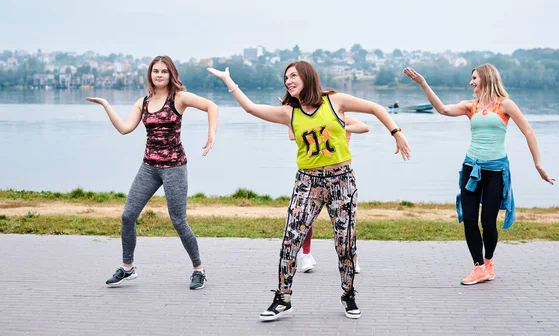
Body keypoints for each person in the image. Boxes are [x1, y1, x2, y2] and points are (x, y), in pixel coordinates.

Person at [208, 61, 410, 321]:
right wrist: (229, 81)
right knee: (290, 239)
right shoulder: (289, 113)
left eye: (293, 76)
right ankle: (283, 298)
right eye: (285, 77)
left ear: (307, 77)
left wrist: (396, 132)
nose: (288, 81)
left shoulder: (334, 101)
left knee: (345, 242)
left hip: (342, 181)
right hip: (307, 182)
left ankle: (348, 294)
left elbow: (374, 108)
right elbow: (251, 108)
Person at [404, 64, 554, 285]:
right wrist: (423, 84)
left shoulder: (505, 105)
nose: (471, 82)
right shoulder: (470, 106)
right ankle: (479, 267)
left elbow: (528, 132)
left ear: (485, 78)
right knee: (470, 219)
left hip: (495, 171)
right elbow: (443, 109)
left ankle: (489, 260)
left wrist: (538, 165)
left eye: (474, 78)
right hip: (471, 169)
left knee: (488, 221)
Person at [87, 55, 218, 290]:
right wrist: (107, 105)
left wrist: (211, 135)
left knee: (178, 220)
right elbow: (125, 129)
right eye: (155, 71)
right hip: (149, 167)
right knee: (128, 216)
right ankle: (127, 268)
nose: (159, 75)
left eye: (164, 71)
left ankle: (199, 270)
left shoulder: (179, 98)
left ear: (171, 75)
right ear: (150, 74)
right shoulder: (143, 102)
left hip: (174, 167)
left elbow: (212, 106)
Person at [289, 115, 369, 274]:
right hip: (313, 175)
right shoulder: (308, 119)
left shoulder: (343, 118)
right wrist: (292, 115)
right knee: (305, 219)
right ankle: (306, 255)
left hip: (338, 177)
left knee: (345, 222)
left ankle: (351, 257)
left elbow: (364, 127)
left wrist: (340, 128)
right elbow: (292, 136)